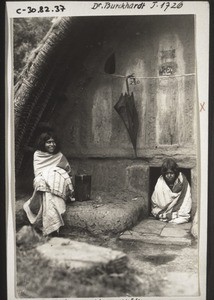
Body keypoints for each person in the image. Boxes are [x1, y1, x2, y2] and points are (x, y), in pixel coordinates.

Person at [23, 131, 74, 236]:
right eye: (49, 142)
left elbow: (68, 173)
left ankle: (49, 227)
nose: (52, 144)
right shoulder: (37, 155)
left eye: (54, 142)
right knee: (41, 183)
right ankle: (52, 227)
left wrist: (54, 174)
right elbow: (38, 173)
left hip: (56, 186)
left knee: (51, 184)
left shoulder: (59, 156)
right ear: (43, 143)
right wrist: (48, 175)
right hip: (43, 183)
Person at [151, 158, 192, 224]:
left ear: (175, 173)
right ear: (164, 174)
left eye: (171, 173)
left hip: (177, 209)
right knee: (155, 211)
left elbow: (186, 198)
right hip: (162, 209)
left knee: (182, 214)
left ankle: (170, 214)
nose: (169, 176)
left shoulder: (181, 181)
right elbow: (156, 200)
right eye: (167, 173)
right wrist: (174, 192)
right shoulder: (160, 183)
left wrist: (176, 192)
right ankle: (168, 214)